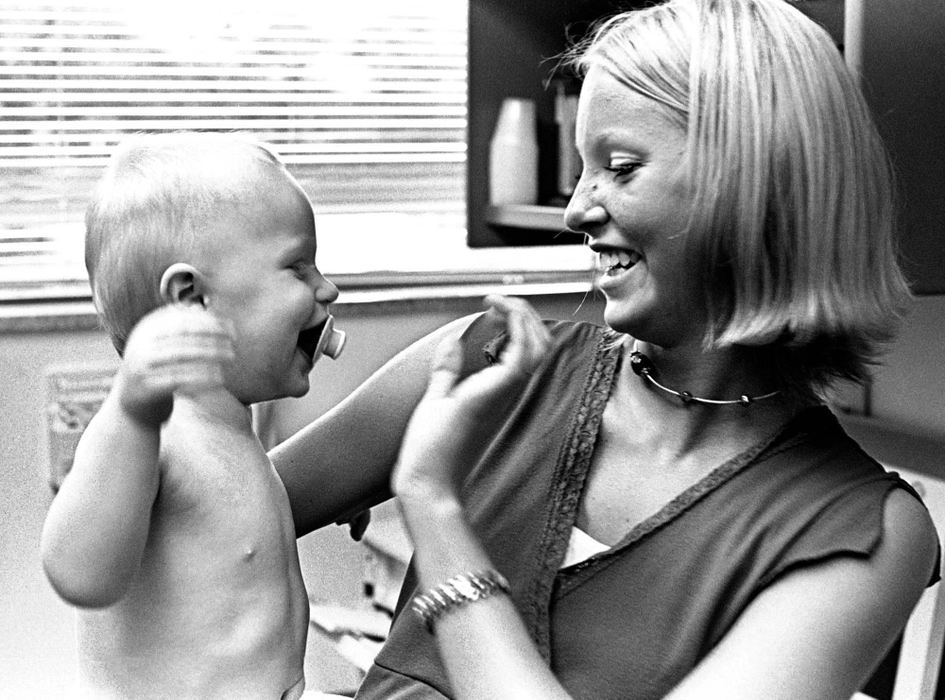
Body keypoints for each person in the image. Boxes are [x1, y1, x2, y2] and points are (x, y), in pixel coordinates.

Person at [271, 0, 942, 697]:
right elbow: (196, 518)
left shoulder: (865, 533)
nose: (575, 210)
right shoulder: (486, 361)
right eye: (582, 168)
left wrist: (433, 507)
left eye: (620, 167)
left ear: (752, 186)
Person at [39, 132, 352, 699]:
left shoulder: (231, 428)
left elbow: (229, 540)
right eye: (299, 269)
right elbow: (79, 573)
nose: (326, 288)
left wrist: (337, 496)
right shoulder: (150, 435)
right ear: (192, 298)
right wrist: (132, 416)